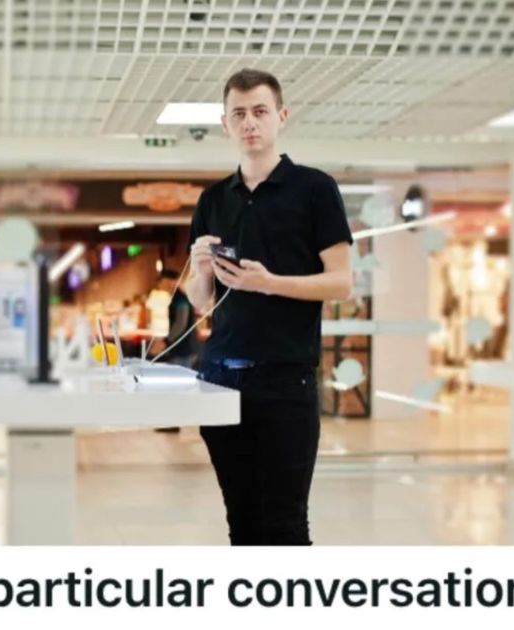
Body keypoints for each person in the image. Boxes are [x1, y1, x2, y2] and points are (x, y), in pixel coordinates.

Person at [185, 68, 353, 546]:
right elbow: (201, 304)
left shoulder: (315, 189)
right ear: (225, 124)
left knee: (284, 524)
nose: (249, 123)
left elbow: (341, 283)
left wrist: (270, 283)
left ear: (281, 116)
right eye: (238, 114)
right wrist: (200, 271)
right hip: (220, 377)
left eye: (260, 111)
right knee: (242, 522)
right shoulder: (212, 200)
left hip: (286, 379)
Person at [152, 268, 200, 433]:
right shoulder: (178, 298)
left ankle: (173, 423)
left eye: (162, 281)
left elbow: (180, 323)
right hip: (184, 348)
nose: (161, 285)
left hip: (183, 349)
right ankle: (174, 422)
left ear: (171, 281)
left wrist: (167, 341)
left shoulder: (180, 299)